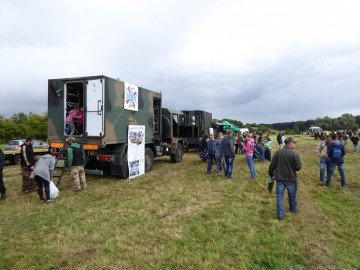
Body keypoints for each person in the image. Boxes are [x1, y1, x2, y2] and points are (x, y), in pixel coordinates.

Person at [268, 137, 302, 220]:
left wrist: (270, 173)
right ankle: (293, 209)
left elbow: (272, 165)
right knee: (292, 195)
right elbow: (298, 167)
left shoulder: (278, 152)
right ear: (290, 143)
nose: (295, 144)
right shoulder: (294, 153)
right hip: (291, 178)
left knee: (279, 196)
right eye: (294, 143)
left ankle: (280, 215)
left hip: (279, 178)